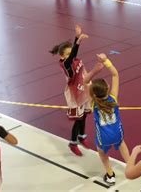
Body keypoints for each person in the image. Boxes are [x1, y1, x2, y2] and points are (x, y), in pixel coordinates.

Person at [49, 25, 103, 156]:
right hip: (74, 93)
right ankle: (72, 143)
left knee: (84, 115)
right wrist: (78, 40)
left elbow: (73, 52)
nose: (70, 55)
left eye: (70, 53)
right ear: (62, 56)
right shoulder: (65, 64)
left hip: (83, 89)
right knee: (78, 119)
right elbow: (73, 53)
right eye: (67, 54)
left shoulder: (73, 59)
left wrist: (77, 37)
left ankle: (81, 137)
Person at [90, 53, 130, 185]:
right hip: (118, 132)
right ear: (107, 89)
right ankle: (131, 166)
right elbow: (115, 74)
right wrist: (106, 60)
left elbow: (85, 81)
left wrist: (95, 71)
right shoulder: (113, 98)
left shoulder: (93, 103)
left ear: (93, 94)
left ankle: (110, 174)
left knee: (102, 153)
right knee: (122, 144)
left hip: (104, 136)